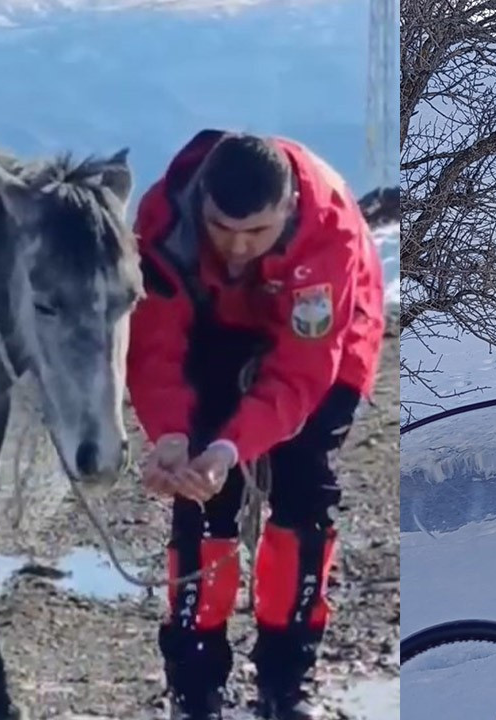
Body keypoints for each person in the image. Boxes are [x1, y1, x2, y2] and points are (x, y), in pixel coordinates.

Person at [125, 129, 385, 720]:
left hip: (327, 337)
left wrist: (230, 446)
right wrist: (174, 436)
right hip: (215, 325)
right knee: (200, 499)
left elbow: (299, 374)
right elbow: (156, 350)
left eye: (256, 232)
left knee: (304, 493)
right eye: (223, 229)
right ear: (202, 206)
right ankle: (195, 682)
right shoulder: (164, 221)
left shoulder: (329, 229)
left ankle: (285, 680)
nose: (238, 247)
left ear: (289, 207)